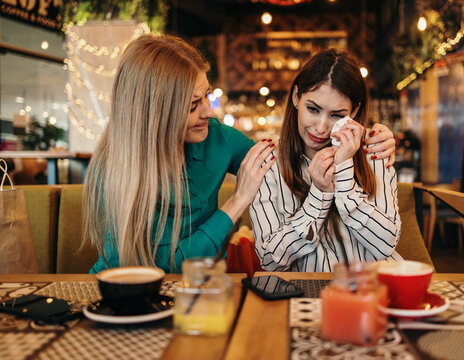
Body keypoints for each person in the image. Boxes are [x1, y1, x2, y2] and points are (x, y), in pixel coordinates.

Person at [84, 35, 397, 273]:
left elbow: (285, 156)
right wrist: (236, 202)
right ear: (156, 114)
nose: (210, 111)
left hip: (197, 287)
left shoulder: (218, 139)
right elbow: (154, 269)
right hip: (121, 292)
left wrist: (373, 137)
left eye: (206, 95)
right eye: (193, 105)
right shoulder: (115, 169)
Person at [250, 49, 402, 272]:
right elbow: (271, 260)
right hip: (307, 294)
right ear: (295, 97)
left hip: (373, 290)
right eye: (313, 109)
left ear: (354, 111)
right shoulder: (269, 162)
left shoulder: (374, 148)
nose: (321, 128)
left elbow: (386, 244)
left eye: (337, 115)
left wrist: (345, 178)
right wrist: (319, 195)